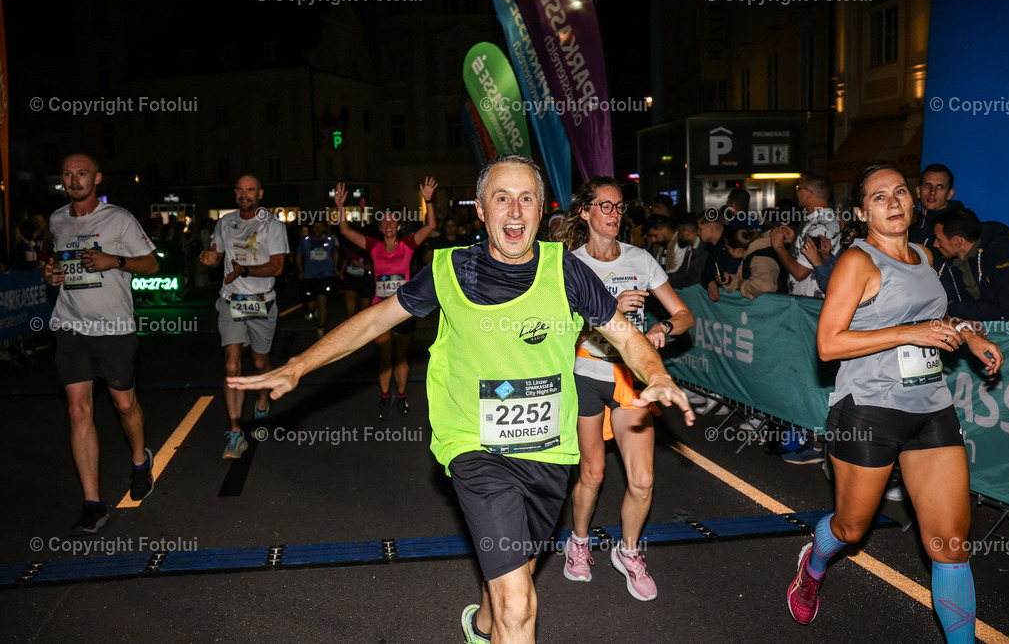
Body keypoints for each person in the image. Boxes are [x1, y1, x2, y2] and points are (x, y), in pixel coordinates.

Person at [226, 154, 696, 644]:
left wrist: (655, 373)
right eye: (501, 199)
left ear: (540, 211)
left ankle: (480, 627)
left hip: (549, 455)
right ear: (482, 212)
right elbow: (374, 322)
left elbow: (623, 336)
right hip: (475, 447)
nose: (514, 212)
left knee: (510, 595)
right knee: (519, 604)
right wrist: (298, 365)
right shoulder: (449, 270)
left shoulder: (568, 272)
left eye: (526, 199)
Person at [787, 160, 1003, 643]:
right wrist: (911, 332)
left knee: (950, 545)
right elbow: (829, 344)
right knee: (851, 528)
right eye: (879, 197)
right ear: (863, 213)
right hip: (867, 410)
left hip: (930, 407)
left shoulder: (926, 257)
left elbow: (939, 316)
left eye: (900, 192)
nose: (894, 202)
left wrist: (968, 337)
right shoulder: (857, 262)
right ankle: (814, 563)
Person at [559, 176, 695, 601]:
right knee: (593, 474)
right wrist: (609, 310)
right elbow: (559, 329)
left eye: (619, 207)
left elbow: (685, 314)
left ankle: (629, 551)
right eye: (604, 206)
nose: (614, 214)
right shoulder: (571, 265)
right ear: (585, 212)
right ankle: (578, 543)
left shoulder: (641, 259)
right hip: (586, 374)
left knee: (642, 480)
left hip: (629, 381)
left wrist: (662, 328)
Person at [43, 153, 158, 533]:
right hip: (71, 327)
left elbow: (151, 264)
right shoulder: (57, 220)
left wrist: (115, 261)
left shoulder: (119, 218)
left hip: (115, 328)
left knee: (124, 405)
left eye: (82, 174)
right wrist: (53, 274)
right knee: (78, 412)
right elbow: (61, 263)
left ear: (98, 178)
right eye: (68, 174)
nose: (74, 180)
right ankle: (92, 503)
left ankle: (140, 461)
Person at [198, 174, 289, 459]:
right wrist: (211, 259)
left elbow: (277, 267)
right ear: (235, 193)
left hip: (262, 302)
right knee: (233, 365)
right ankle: (236, 433)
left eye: (250, 190)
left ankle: (263, 399)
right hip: (231, 301)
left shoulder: (272, 225)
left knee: (261, 361)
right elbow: (216, 255)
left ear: (260, 193)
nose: (244, 194)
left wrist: (245, 271)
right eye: (240, 189)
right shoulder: (224, 223)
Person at [334, 177, 437, 418]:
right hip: (380, 308)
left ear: (399, 226)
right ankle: (384, 395)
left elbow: (430, 225)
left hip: (403, 307)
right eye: (385, 222)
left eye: (393, 221)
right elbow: (345, 230)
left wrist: (428, 199)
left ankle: (401, 396)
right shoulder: (373, 246)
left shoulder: (408, 245)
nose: (389, 224)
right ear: (380, 228)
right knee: (383, 356)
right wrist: (340, 206)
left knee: (400, 357)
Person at [932, 208, 1009, 322]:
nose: (935, 244)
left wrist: (954, 309)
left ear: (957, 241)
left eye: (939, 240)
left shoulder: (1004, 251)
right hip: (990, 330)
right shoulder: (953, 263)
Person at [772, 172, 841, 300]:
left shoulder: (818, 227)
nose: (797, 192)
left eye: (799, 188)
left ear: (808, 193)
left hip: (809, 303)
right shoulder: (828, 219)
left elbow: (800, 272)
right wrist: (795, 240)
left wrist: (779, 247)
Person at [716, 226, 790, 300]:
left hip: (775, 305)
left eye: (728, 249)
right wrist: (729, 281)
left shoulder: (760, 259)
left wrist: (743, 286)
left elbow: (764, 286)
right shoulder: (751, 255)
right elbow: (740, 279)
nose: (728, 252)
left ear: (738, 250)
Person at [295, 221, 340, 337]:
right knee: (311, 305)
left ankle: (321, 326)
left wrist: (335, 266)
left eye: (320, 227)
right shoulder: (305, 241)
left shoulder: (330, 240)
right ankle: (313, 310)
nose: (318, 229)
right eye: (316, 227)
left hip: (325, 275)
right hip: (310, 276)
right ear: (312, 228)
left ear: (324, 228)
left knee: (322, 301)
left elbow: (335, 253)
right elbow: (299, 256)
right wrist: (300, 271)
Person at [908, 163, 964, 254]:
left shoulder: (960, 229)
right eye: (927, 186)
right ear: (918, 191)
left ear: (950, 194)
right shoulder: (909, 232)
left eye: (940, 187)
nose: (932, 192)